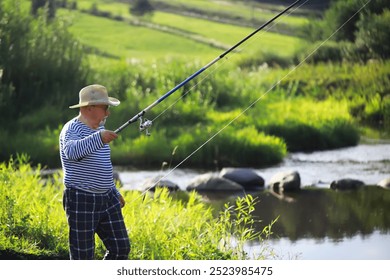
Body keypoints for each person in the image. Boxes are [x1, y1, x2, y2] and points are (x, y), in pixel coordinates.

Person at [59, 84, 130, 260]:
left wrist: (114, 191)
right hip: (81, 198)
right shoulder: (72, 129)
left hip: (107, 198)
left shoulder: (99, 130)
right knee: (83, 256)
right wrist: (99, 138)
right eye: (105, 108)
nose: (108, 113)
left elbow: (103, 166)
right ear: (90, 108)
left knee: (121, 248)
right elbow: (72, 152)